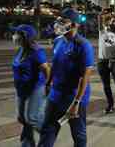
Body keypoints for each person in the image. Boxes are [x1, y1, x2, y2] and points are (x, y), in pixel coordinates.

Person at [38, 8, 94, 147]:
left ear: (74, 25)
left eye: (63, 21)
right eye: (59, 20)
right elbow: (55, 65)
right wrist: (48, 83)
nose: (59, 24)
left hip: (73, 98)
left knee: (78, 134)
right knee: (47, 130)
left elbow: (85, 76)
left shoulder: (83, 45)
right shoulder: (58, 41)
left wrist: (76, 103)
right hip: (56, 95)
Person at [12, 24, 50, 147]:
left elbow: (46, 69)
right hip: (21, 89)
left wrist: (48, 85)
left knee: (32, 118)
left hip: (35, 89)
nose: (15, 36)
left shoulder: (37, 51)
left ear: (26, 37)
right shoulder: (21, 49)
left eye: (18, 34)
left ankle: (48, 133)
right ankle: (27, 143)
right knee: (21, 118)